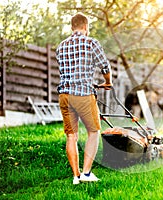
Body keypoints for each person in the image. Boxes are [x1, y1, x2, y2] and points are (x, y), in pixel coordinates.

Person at [56, 12, 112, 185]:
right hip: (83, 95)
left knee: (71, 136)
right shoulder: (91, 42)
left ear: (72, 27)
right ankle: (86, 174)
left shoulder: (61, 46)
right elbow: (104, 65)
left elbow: (67, 72)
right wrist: (107, 82)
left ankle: (76, 176)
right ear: (86, 27)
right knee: (93, 132)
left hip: (64, 95)